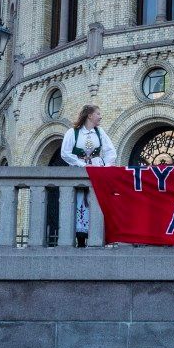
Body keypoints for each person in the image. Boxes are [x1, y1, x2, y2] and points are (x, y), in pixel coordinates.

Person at [60, 104, 116, 247]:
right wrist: (82, 165)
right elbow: (65, 153)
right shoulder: (73, 133)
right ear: (90, 115)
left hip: (97, 172)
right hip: (80, 172)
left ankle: (98, 235)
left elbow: (111, 152)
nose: (100, 116)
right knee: (80, 202)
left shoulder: (100, 132)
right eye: (98, 113)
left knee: (97, 200)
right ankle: (80, 238)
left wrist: (105, 166)